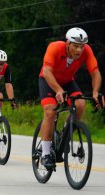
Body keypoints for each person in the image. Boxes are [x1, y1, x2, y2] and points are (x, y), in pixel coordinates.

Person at [39, 27, 101, 169]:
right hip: (48, 80)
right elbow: (47, 71)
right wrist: (58, 90)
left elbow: (95, 72)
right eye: (75, 46)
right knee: (50, 112)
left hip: (67, 82)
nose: (79, 50)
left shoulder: (86, 51)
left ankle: (65, 133)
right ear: (68, 43)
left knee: (80, 104)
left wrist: (96, 92)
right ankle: (46, 154)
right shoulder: (55, 47)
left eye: (81, 47)